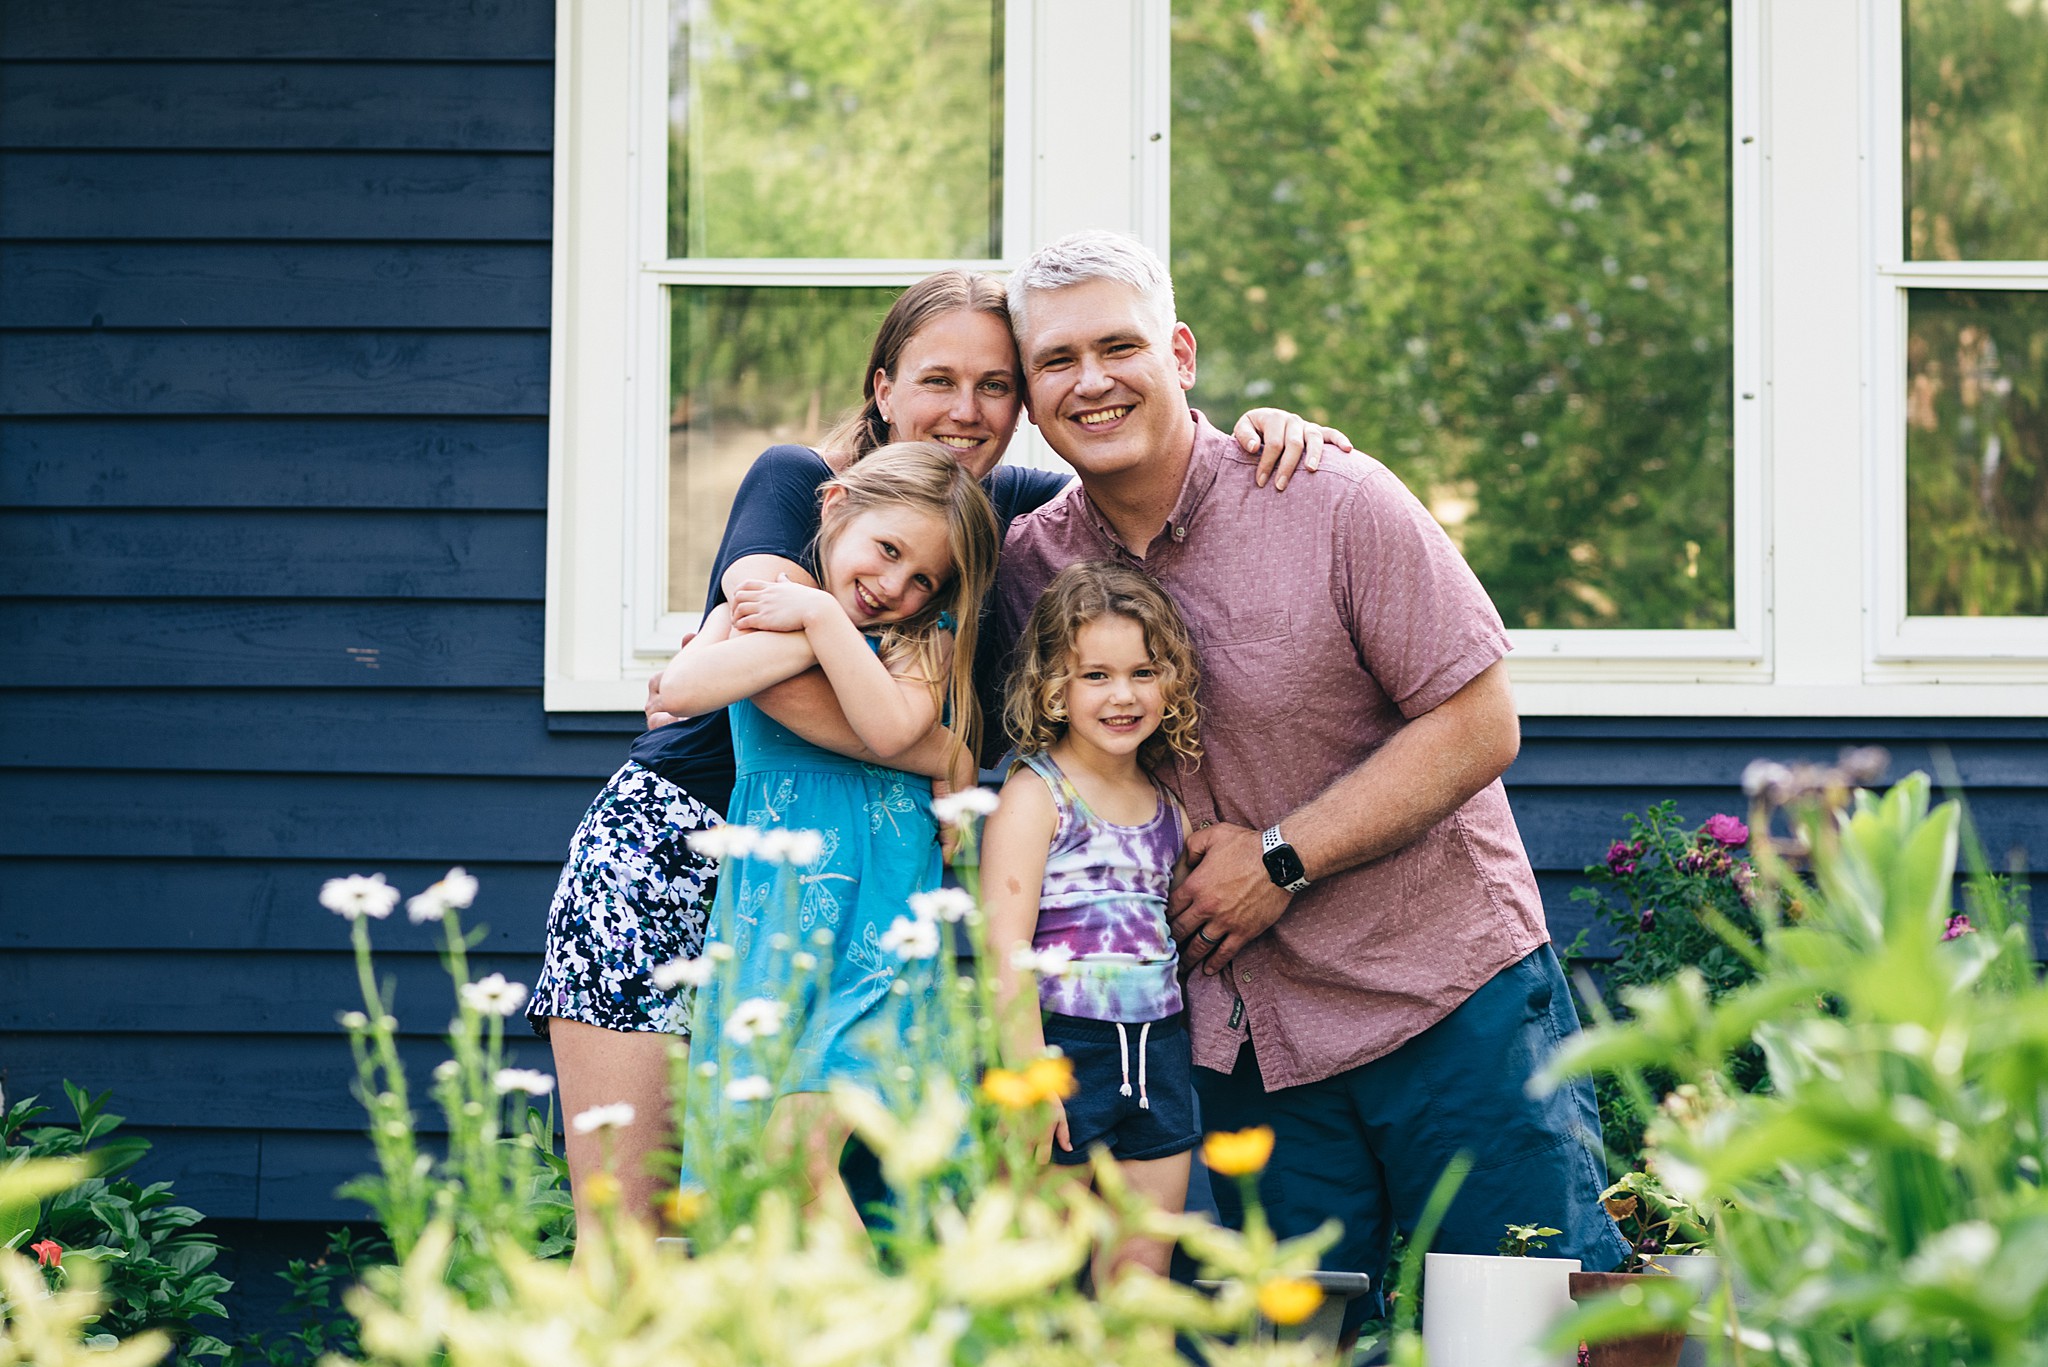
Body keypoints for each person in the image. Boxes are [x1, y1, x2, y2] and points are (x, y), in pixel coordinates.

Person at [527, 267, 1345, 1236]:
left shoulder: (1020, 525)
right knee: (642, 1229)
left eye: (995, 384)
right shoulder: (799, 483)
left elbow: (1159, 468)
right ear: (881, 387)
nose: (966, 410)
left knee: (801, 1201)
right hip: (675, 857)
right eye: (935, 380)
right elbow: (729, 655)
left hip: (853, 902)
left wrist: (1261, 434)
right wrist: (928, 745)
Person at [991, 231, 1629, 1337]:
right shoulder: (1029, 566)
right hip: (1239, 1045)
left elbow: (1479, 721)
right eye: (1056, 361)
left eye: (1119, 345)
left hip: (1441, 997)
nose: (1090, 380)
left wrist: (1279, 857)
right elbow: (885, 482)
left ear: (1179, 352)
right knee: (1286, 1348)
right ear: (1031, 399)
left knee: (1521, 1332)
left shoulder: (1327, 496)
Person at [661, 442, 999, 1234]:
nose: (895, 586)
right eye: (888, 550)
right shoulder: (751, 607)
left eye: (924, 578)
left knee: (796, 1157)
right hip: (774, 926)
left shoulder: (926, 639)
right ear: (835, 503)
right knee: (756, 1170)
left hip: (874, 928)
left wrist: (816, 616)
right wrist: (797, 623)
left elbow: (888, 727)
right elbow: (676, 692)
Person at [982, 560, 1205, 1286]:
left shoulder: (1168, 805)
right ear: (1055, 686)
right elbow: (1003, 946)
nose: (1123, 695)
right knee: (1036, 1275)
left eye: (1143, 672)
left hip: (1159, 1053)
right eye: (1096, 675)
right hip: (1063, 1046)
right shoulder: (1036, 793)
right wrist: (1031, 1070)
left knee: (1140, 1276)